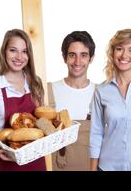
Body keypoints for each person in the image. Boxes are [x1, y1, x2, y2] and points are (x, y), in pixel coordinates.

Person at [89, 29, 131, 171]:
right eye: (119, 49)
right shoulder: (101, 91)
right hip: (108, 167)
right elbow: (96, 133)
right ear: (112, 53)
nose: (125, 55)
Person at [0, 29, 46, 171]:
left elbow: (42, 121)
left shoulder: (35, 82)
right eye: (13, 50)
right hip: (8, 162)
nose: (19, 57)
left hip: (37, 162)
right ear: (4, 52)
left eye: (24, 51)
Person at [50, 31, 96, 171]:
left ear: (91, 58)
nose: (77, 62)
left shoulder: (101, 93)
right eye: (72, 55)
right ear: (64, 57)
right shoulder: (48, 91)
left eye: (83, 55)